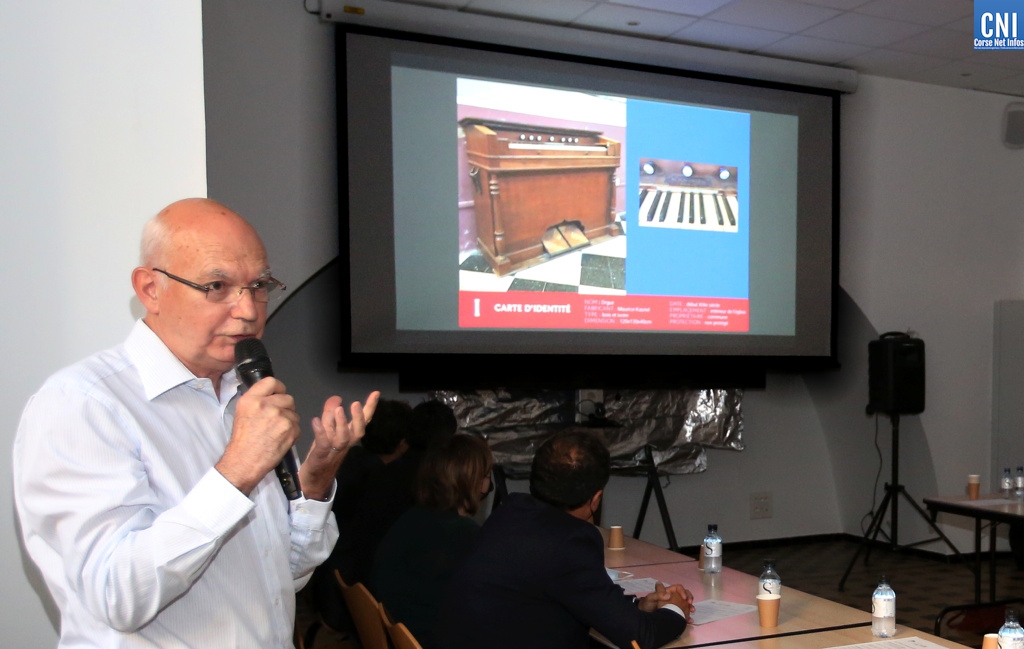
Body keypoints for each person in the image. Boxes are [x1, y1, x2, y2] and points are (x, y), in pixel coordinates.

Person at [12, 198, 379, 648]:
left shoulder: (245, 395)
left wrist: (317, 477)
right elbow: (115, 596)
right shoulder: (83, 405)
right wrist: (236, 472)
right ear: (150, 289)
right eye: (217, 286)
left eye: (259, 284)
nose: (247, 310)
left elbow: (281, 577)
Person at [437, 429, 692, 649]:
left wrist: (638, 606)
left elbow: (578, 594)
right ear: (596, 499)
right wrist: (676, 609)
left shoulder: (509, 512)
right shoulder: (569, 541)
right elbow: (640, 638)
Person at [371, 433, 492, 649]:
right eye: (486, 475)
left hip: (405, 634)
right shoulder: (462, 536)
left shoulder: (413, 517)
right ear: (476, 481)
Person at [308, 398, 413, 631]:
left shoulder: (347, 461)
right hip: (351, 603)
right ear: (403, 443)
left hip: (324, 587)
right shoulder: (388, 486)